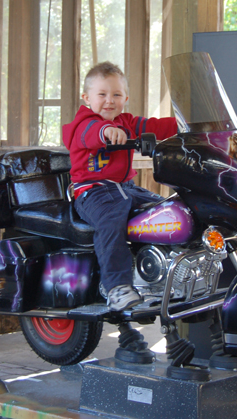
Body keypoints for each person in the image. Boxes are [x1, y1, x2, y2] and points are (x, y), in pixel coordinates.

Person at [62, 62, 177, 311]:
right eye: (102, 94)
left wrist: (187, 124)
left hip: (125, 188)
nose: (109, 101)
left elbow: (154, 126)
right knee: (111, 218)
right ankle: (116, 286)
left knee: (167, 210)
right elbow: (93, 133)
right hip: (92, 191)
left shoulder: (126, 121)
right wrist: (108, 132)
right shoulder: (85, 123)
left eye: (116, 95)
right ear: (87, 98)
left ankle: (164, 274)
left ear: (126, 97)